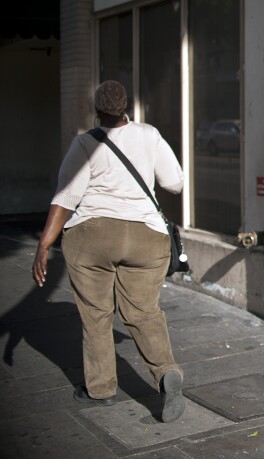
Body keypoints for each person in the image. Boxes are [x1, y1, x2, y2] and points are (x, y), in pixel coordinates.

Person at [31, 80, 187, 423]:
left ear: (97, 110)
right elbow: (174, 182)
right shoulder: (148, 134)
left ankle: (100, 390)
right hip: (147, 237)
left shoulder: (85, 142)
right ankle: (165, 372)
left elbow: (66, 197)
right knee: (144, 312)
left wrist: (43, 245)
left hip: (93, 238)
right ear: (127, 107)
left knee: (97, 314)